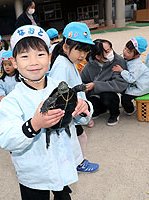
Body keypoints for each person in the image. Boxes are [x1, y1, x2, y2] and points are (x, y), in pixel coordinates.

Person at [0, 25, 93, 200]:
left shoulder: (61, 86)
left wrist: (83, 108)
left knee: (63, 194)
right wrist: (34, 125)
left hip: (61, 161)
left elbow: (81, 118)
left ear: (49, 58)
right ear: (15, 62)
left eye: (40, 55)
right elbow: (6, 139)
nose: (33, 62)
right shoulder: (12, 101)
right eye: (25, 57)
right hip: (33, 171)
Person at [49, 22, 99, 173]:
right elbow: (60, 95)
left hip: (73, 114)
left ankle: (78, 161)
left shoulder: (67, 61)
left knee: (80, 137)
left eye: (86, 51)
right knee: (75, 140)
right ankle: (78, 163)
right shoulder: (62, 66)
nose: (83, 55)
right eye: (79, 50)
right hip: (68, 116)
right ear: (66, 47)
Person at [81, 39, 128, 126]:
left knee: (107, 96)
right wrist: (85, 88)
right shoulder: (89, 66)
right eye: (107, 51)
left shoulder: (118, 61)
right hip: (95, 94)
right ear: (98, 57)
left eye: (110, 49)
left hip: (114, 93)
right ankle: (101, 110)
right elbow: (83, 81)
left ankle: (115, 113)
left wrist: (95, 85)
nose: (111, 52)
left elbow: (120, 84)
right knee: (90, 102)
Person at [112, 37, 149, 115]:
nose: (125, 52)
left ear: (137, 56)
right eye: (125, 48)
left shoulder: (137, 65)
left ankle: (130, 110)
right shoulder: (129, 59)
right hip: (135, 84)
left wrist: (121, 71)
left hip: (141, 87)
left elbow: (131, 79)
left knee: (125, 98)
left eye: (129, 52)